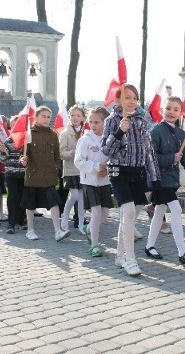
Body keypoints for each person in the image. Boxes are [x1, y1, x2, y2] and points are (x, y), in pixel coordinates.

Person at [102, 84, 160, 277]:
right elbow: (106, 150)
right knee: (126, 211)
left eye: (135, 97)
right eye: (127, 97)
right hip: (118, 171)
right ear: (118, 100)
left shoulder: (142, 122)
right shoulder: (112, 120)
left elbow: (149, 151)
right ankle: (130, 258)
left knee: (131, 215)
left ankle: (119, 254)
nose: (132, 101)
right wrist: (119, 132)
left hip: (138, 173)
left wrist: (155, 178)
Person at [146, 96, 185, 264]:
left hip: (171, 180)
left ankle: (149, 246)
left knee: (159, 212)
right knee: (177, 210)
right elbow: (150, 158)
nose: (171, 112)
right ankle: (183, 252)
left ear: (181, 113)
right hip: (158, 179)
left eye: (175, 109)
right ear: (162, 110)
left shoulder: (181, 134)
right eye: (168, 108)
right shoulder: (155, 131)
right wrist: (171, 158)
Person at [19, 106, 69, 241]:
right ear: (36, 117)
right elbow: (24, 153)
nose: (46, 119)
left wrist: (57, 168)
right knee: (30, 204)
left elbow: (57, 156)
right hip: (33, 176)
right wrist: (24, 159)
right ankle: (30, 230)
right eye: (43, 116)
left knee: (54, 203)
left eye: (48, 117)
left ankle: (58, 231)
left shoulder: (53, 135)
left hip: (49, 176)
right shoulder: (29, 133)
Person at [74, 106, 112, 257]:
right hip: (89, 181)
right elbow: (78, 161)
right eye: (91, 121)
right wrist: (96, 167)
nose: (93, 125)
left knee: (105, 213)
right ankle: (94, 244)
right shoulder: (85, 140)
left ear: (105, 122)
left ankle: (89, 228)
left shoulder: (108, 140)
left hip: (104, 182)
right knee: (96, 212)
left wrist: (106, 169)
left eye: (97, 122)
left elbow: (110, 158)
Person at [59, 104, 87, 233]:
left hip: (83, 170)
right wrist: (71, 153)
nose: (75, 118)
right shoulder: (65, 133)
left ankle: (81, 224)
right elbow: (60, 153)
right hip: (71, 169)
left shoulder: (86, 132)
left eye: (78, 115)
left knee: (81, 198)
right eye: (72, 115)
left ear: (83, 117)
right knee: (74, 195)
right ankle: (65, 216)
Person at [2, 115, 26, 234]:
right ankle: (11, 223)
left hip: (23, 174)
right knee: (12, 197)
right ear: (11, 126)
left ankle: (21, 220)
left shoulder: (26, 140)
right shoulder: (8, 141)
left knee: (22, 197)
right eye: (14, 124)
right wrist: (3, 152)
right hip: (11, 173)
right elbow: (2, 159)